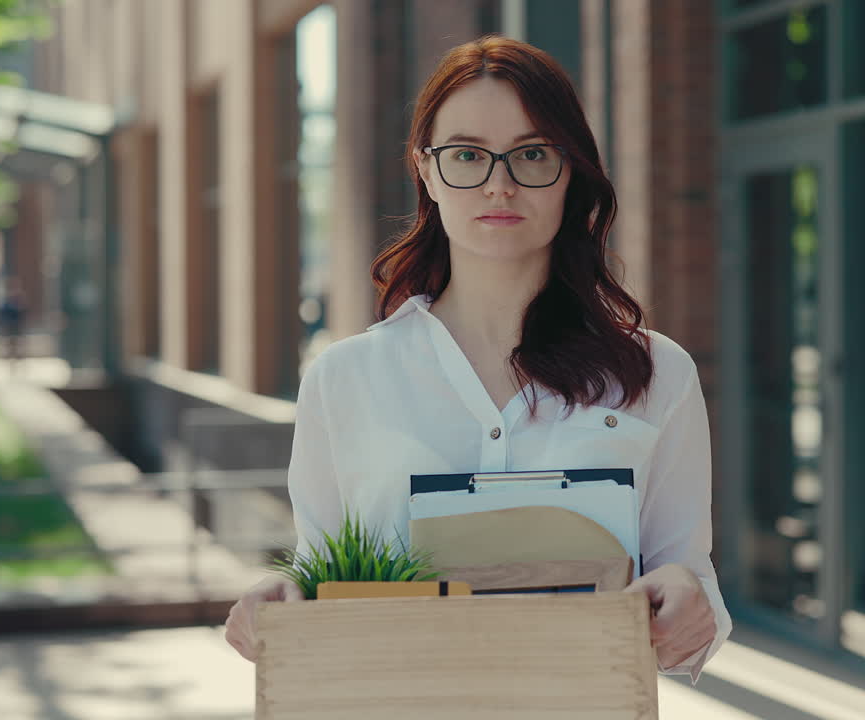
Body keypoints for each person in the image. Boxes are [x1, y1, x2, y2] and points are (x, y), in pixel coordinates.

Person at [224, 35, 731, 683]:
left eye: (531, 154)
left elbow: (693, 588)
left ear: (570, 171)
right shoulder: (343, 379)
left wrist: (692, 603)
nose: (499, 184)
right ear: (426, 170)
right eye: (467, 155)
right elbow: (326, 583)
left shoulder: (657, 375)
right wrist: (280, 603)